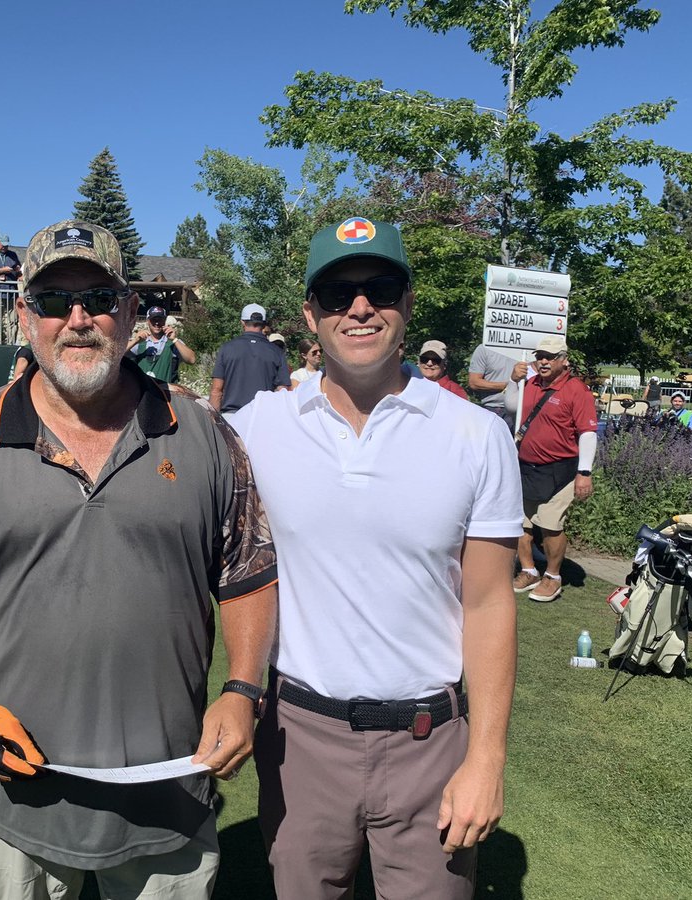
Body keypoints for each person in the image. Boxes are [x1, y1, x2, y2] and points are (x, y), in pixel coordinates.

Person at [0, 218, 277, 900]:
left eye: (98, 299)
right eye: (53, 300)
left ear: (129, 311)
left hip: (169, 796)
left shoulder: (204, 432)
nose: (77, 319)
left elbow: (248, 574)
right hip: (16, 795)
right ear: (23, 315)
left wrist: (243, 690)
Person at [232, 216, 519, 899]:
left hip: (431, 741)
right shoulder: (256, 428)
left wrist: (487, 756)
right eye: (337, 294)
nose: (359, 307)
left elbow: (487, 603)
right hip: (299, 738)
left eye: (380, 287)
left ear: (408, 303)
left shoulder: (477, 436)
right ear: (310, 315)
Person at [507, 335, 598, 603]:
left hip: (560, 470)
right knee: (520, 523)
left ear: (563, 360)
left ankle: (553, 576)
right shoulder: (529, 384)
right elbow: (511, 407)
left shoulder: (576, 390)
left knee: (550, 525)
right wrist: (514, 381)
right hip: (525, 467)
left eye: (550, 357)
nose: (543, 361)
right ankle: (528, 570)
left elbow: (588, 433)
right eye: (540, 356)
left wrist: (584, 472)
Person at [209, 303, 291, 419]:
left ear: (242, 322)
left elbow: (216, 390)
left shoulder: (227, 348)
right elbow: (282, 391)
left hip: (232, 416)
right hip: (262, 416)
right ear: (263, 323)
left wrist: (214, 421)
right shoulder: (276, 352)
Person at [127, 305, 195, 383]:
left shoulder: (172, 343)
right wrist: (135, 341)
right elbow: (116, 356)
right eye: (153, 320)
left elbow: (191, 360)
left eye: (160, 319)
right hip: (144, 392)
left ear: (165, 321)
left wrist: (175, 339)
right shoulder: (140, 343)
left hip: (166, 392)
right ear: (148, 321)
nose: (157, 323)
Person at [467, 343, 518, 429]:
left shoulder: (524, 349)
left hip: (521, 410)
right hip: (493, 410)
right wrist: (508, 386)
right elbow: (474, 382)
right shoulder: (484, 348)